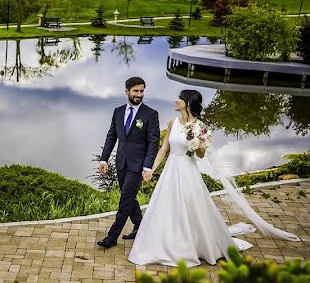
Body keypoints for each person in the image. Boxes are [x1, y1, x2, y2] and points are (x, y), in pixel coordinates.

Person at [128, 89, 299, 267]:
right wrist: (151, 169)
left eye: (179, 98)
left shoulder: (199, 127)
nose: (176, 100)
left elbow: (201, 155)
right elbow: (164, 149)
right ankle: (165, 242)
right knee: (167, 206)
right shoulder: (173, 122)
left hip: (187, 171)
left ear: (187, 102)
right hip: (171, 169)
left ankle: (193, 245)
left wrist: (197, 142)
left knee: (190, 207)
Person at [96, 76, 160, 249]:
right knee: (130, 197)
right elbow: (112, 136)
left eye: (141, 91)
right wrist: (104, 159)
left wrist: (148, 166)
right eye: (136, 91)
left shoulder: (150, 114)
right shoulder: (118, 111)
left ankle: (112, 236)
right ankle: (140, 225)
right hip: (121, 162)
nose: (139, 94)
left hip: (138, 165)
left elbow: (154, 142)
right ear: (127, 91)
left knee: (125, 199)